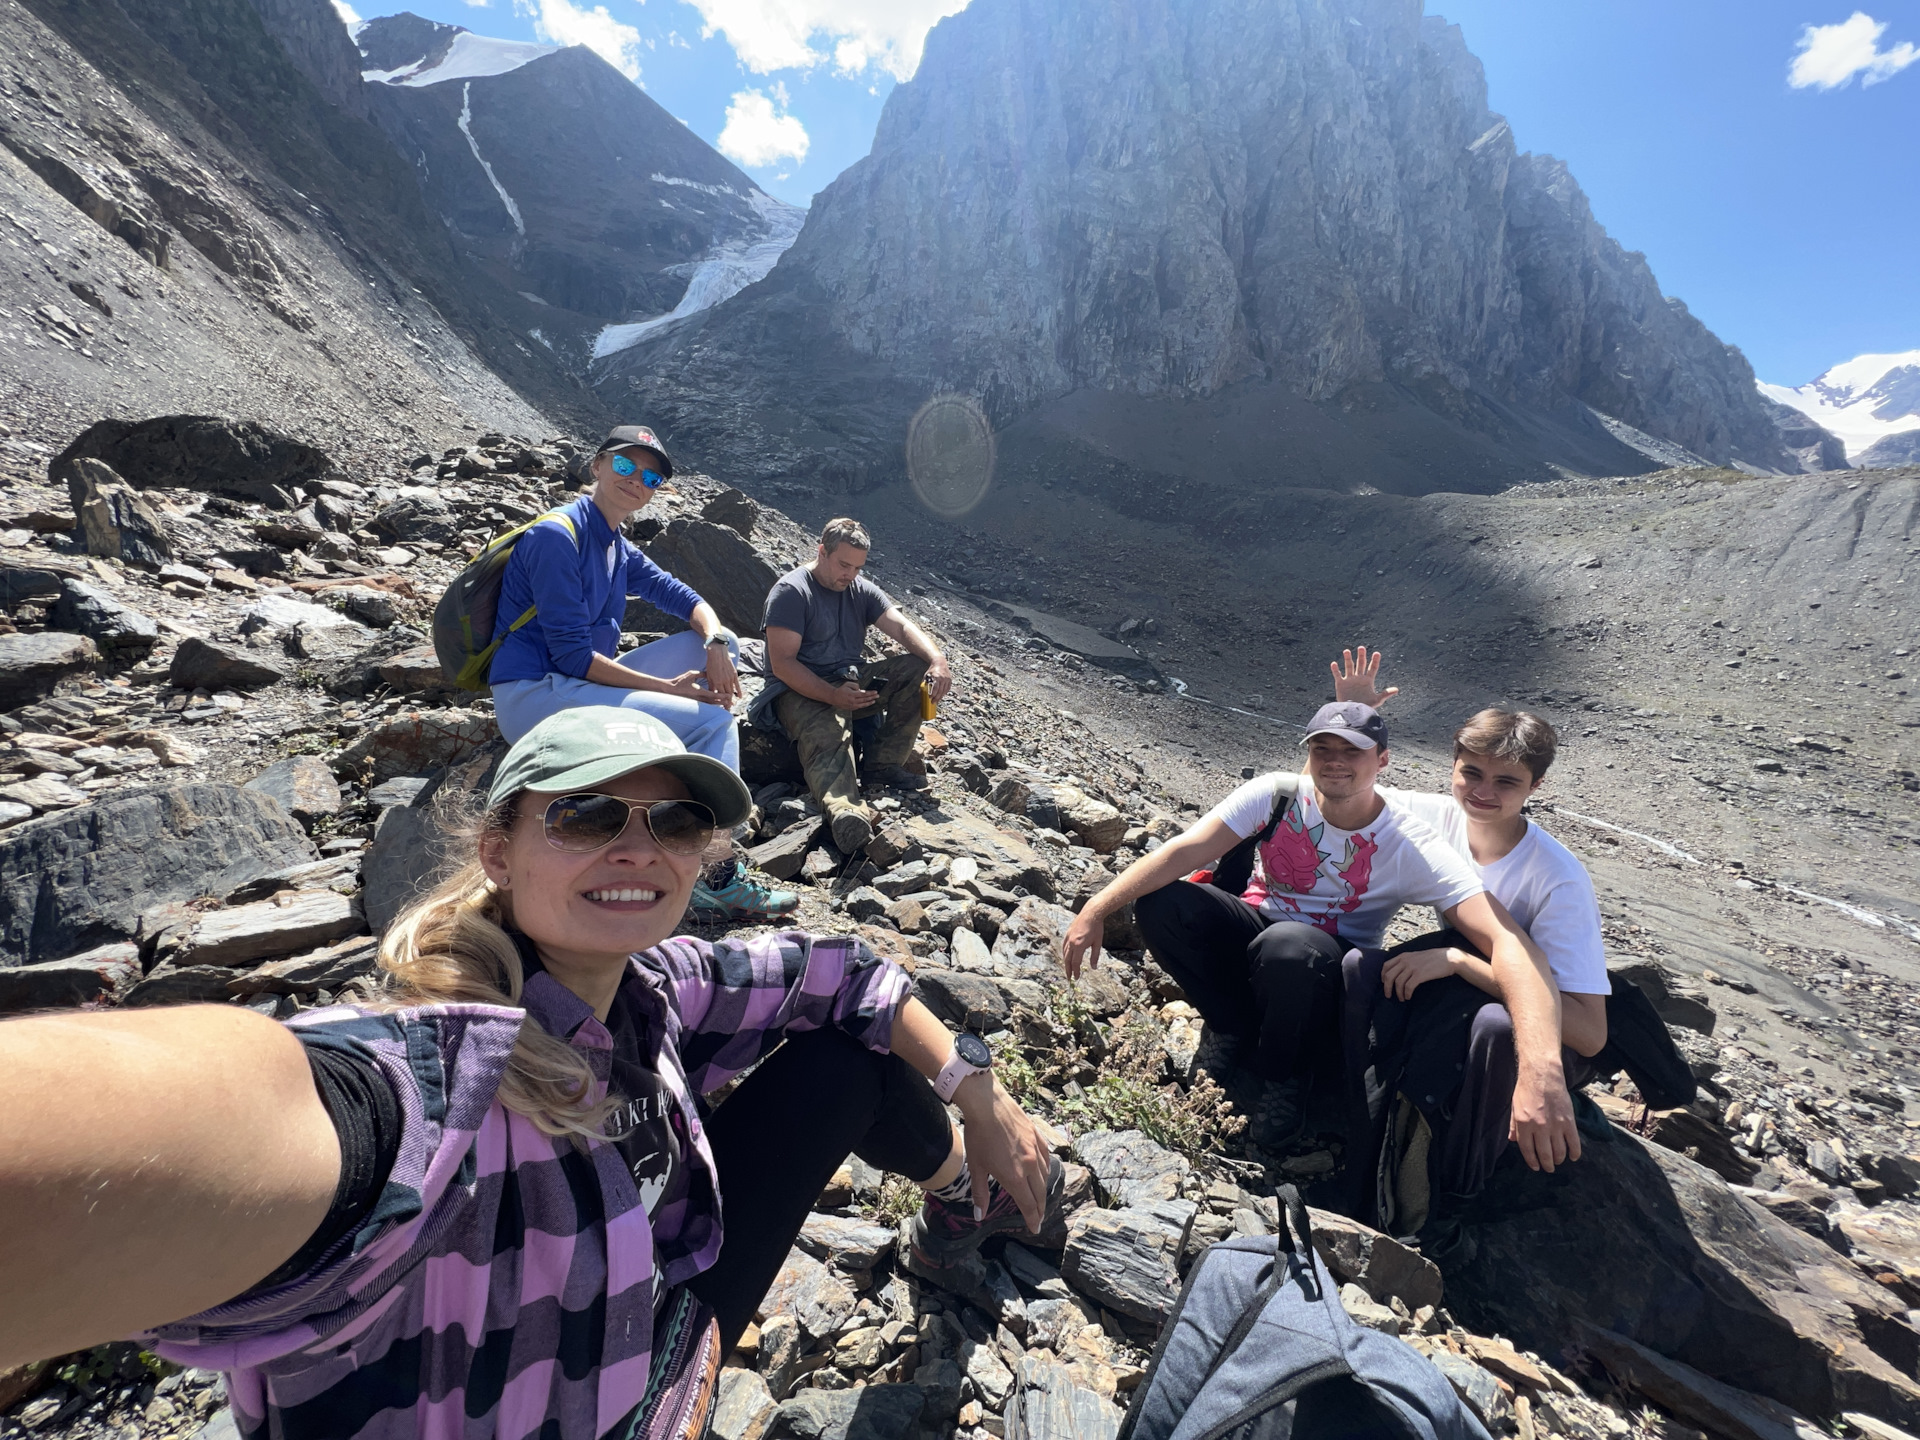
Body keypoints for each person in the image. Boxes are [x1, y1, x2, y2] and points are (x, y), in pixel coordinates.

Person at [0, 707, 1064, 1439]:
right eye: (587, 814)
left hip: (658, 1357)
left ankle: (961, 1207)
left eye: (676, 821)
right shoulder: (420, 1088)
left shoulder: (656, 985)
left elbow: (838, 969)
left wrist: (981, 1089)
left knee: (846, 1056)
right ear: (499, 847)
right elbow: (226, 1122)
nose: (638, 847)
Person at [1061, 696, 1580, 1173]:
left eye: (1352, 750)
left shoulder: (1410, 842)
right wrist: (1097, 908)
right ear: (1306, 754)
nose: (1335, 760)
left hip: (1319, 961)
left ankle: (1282, 1074)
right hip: (1258, 927)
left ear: (1381, 762)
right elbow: (1183, 851)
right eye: (1322, 747)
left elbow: (1507, 940)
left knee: (1291, 948)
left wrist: (1542, 1069)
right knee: (1165, 902)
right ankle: (1231, 1026)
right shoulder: (1277, 795)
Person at [1325, 648, 1609, 1224]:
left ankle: (1455, 1196)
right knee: (1360, 970)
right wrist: (1348, 717)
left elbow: (1589, 1032)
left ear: (1537, 786)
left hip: (1541, 1022)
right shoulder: (1436, 817)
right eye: (1471, 772)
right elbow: (1335, 788)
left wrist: (1456, 962)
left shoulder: (1557, 880)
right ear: (1452, 764)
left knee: (1494, 1029)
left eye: (1507, 781)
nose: (1483, 791)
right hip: (1477, 977)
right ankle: (1345, 1121)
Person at [487, 423, 791, 920]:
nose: (636, 480)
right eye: (626, 465)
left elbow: (686, 599)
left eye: (650, 478)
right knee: (712, 721)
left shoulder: (615, 544)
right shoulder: (555, 537)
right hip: (534, 695)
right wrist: (665, 689)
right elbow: (571, 656)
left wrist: (714, 641)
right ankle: (713, 872)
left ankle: (662, 786)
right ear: (597, 465)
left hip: (575, 686)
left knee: (724, 642)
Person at [752, 518, 953, 855]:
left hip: (848, 680)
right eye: (844, 564)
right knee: (829, 731)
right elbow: (783, 664)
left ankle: (882, 766)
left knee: (916, 670)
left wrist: (937, 660)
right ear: (822, 551)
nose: (850, 574)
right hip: (798, 687)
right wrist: (831, 695)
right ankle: (845, 811)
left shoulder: (858, 589)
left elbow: (901, 628)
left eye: (858, 567)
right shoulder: (792, 592)